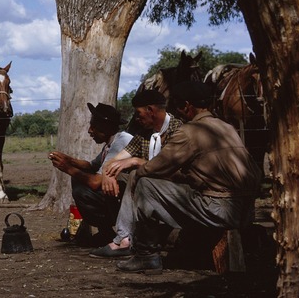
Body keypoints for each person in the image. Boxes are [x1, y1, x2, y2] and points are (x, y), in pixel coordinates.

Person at [116, 81, 261, 274]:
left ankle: (146, 254)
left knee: (145, 183)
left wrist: (137, 173)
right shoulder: (226, 128)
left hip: (220, 209)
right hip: (246, 209)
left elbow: (156, 168)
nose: (179, 113)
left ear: (187, 106)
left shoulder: (190, 131)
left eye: (179, 108)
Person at [89, 88, 183, 258]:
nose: (137, 118)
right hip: (147, 185)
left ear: (151, 110)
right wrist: (108, 171)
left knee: (135, 175)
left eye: (139, 113)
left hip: (174, 185)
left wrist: (136, 161)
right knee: (117, 176)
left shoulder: (177, 130)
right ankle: (125, 236)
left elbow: (170, 168)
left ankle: (124, 240)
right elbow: (116, 159)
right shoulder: (144, 133)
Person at [49, 102, 133, 245]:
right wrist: (68, 160)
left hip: (128, 197)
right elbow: (92, 166)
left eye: (94, 126)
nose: (90, 131)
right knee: (79, 179)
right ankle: (106, 232)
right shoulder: (110, 144)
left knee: (82, 189)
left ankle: (110, 233)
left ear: (106, 127)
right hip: (120, 195)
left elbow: (95, 182)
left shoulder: (121, 141)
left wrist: (67, 168)